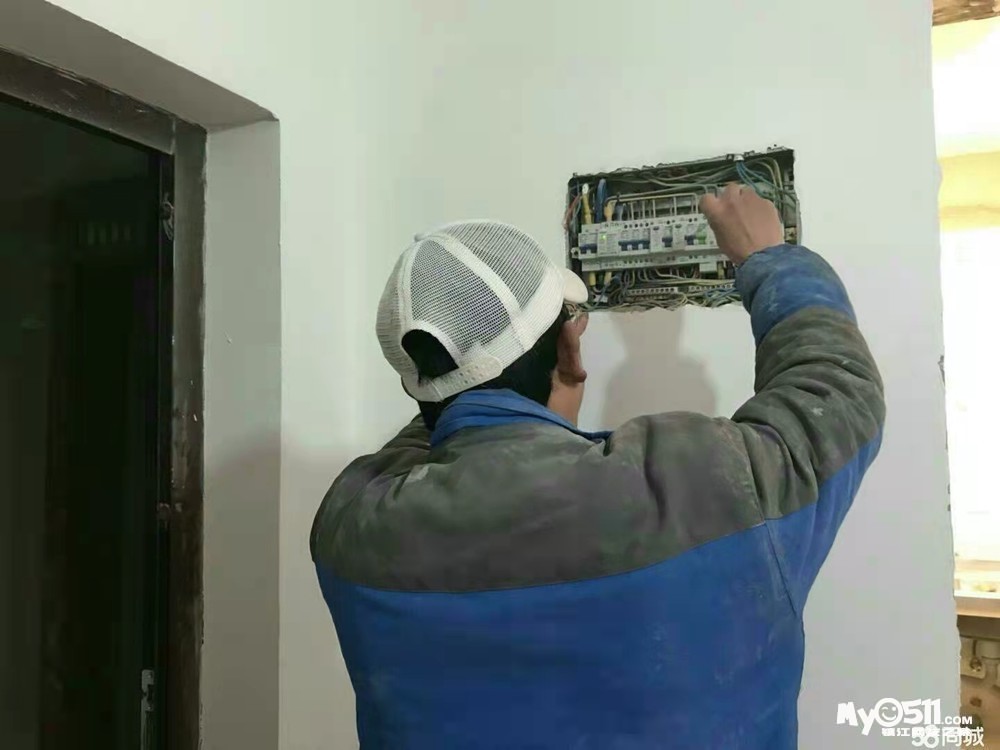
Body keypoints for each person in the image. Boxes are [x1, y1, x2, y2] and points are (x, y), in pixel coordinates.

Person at [311, 185, 884, 749]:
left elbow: (443, 425)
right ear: (569, 345)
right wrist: (771, 257)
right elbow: (836, 393)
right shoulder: (712, 486)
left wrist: (526, 397)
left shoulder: (351, 524)